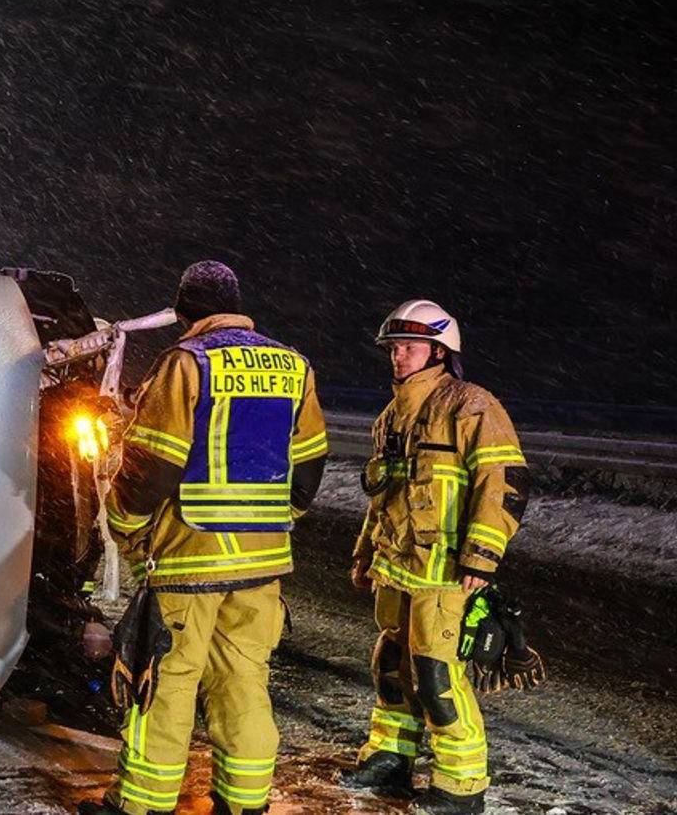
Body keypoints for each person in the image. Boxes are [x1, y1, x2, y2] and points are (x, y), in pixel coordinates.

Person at [79, 261, 328, 815]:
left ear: (184, 312)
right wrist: (264, 519)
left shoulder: (185, 363)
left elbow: (154, 467)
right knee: (243, 680)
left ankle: (142, 804)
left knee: (166, 679)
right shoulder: (295, 367)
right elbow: (308, 471)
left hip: (190, 559)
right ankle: (244, 802)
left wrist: (123, 525)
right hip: (262, 566)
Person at [340, 300, 527, 815]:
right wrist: (363, 553)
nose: (397, 356)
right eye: (393, 347)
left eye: (409, 347)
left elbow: (504, 485)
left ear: (440, 350)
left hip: (445, 573)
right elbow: (384, 497)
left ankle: (461, 787)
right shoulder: (392, 414)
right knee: (392, 664)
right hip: (397, 566)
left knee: (437, 676)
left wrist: (481, 558)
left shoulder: (471, 407)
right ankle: (390, 758)